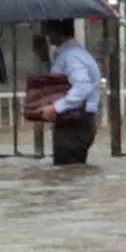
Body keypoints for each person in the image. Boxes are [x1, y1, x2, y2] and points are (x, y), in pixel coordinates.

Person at [35, 22, 101, 166]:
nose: (46, 35)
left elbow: (82, 87)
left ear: (59, 31)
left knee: (68, 172)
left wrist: (56, 107)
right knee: (69, 174)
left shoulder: (72, 56)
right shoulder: (68, 54)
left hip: (74, 123)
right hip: (72, 122)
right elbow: (55, 83)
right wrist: (44, 58)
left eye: (49, 30)